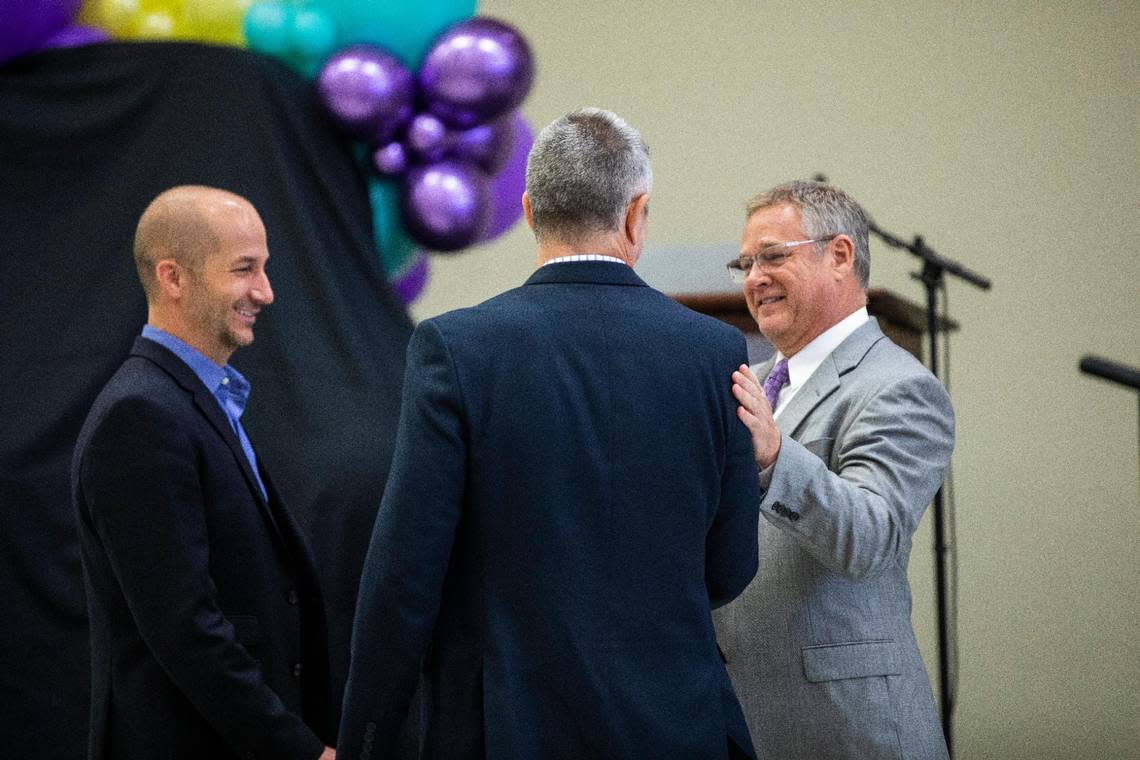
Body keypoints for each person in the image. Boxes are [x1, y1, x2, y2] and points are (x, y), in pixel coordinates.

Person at [338, 108, 760, 759]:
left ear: (531, 211)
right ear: (634, 213)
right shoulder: (716, 353)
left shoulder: (455, 348)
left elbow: (405, 575)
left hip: (510, 728)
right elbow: (730, 568)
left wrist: (363, 738)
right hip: (677, 727)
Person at [72, 186, 335, 760]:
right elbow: (185, 628)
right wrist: (299, 750)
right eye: (245, 269)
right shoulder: (140, 416)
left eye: (264, 268)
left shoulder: (192, 402)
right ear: (173, 277)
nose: (265, 291)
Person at [712, 180, 954, 759]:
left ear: (840, 255)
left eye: (773, 256)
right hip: (742, 718)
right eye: (745, 263)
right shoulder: (752, 379)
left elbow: (872, 538)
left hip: (849, 729)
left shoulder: (899, 387)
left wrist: (774, 458)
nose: (753, 278)